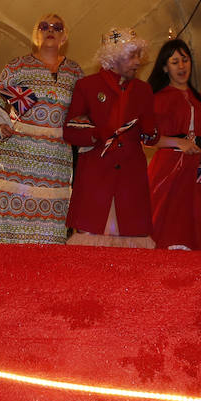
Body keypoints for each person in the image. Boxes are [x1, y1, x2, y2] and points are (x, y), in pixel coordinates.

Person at [0, 13, 84, 245]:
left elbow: (83, 113)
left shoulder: (75, 72)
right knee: (1, 220)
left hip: (55, 161)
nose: (51, 29)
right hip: (15, 158)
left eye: (57, 26)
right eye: (44, 26)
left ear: (64, 36)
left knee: (48, 232)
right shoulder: (17, 66)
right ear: (35, 34)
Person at [63, 27, 157, 247]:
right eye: (131, 56)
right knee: (90, 243)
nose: (137, 62)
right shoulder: (87, 86)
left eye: (138, 56)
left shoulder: (143, 91)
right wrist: (98, 133)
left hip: (131, 178)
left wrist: (151, 131)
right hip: (96, 177)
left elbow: (150, 137)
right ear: (113, 57)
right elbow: (70, 130)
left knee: (132, 241)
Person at [144, 38, 201, 250]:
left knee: (196, 218)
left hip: (194, 168)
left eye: (185, 60)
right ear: (164, 67)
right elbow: (146, 138)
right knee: (165, 218)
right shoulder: (156, 98)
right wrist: (177, 142)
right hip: (167, 169)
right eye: (174, 62)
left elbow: (193, 131)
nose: (181, 66)